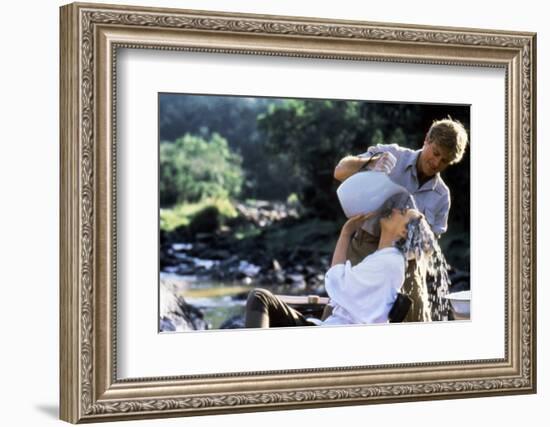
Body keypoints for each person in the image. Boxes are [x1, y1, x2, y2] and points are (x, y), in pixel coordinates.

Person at [333, 118, 468, 322]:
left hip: (406, 260)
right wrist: (370, 163)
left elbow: (429, 247)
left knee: (418, 318)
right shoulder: (392, 155)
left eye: (445, 161)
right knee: (342, 309)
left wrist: (410, 244)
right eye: (436, 153)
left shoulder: (441, 196)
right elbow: (340, 171)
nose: (436, 163)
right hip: (365, 247)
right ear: (426, 140)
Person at [245, 208, 433, 328]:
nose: (396, 209)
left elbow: (336, 281)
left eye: (403, 212)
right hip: (334, 330)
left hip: (336, 339)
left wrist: (346, 233)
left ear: (404, 232)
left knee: (260, 298)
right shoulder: (385, 259)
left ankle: (254, 366)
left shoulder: (389, 262)